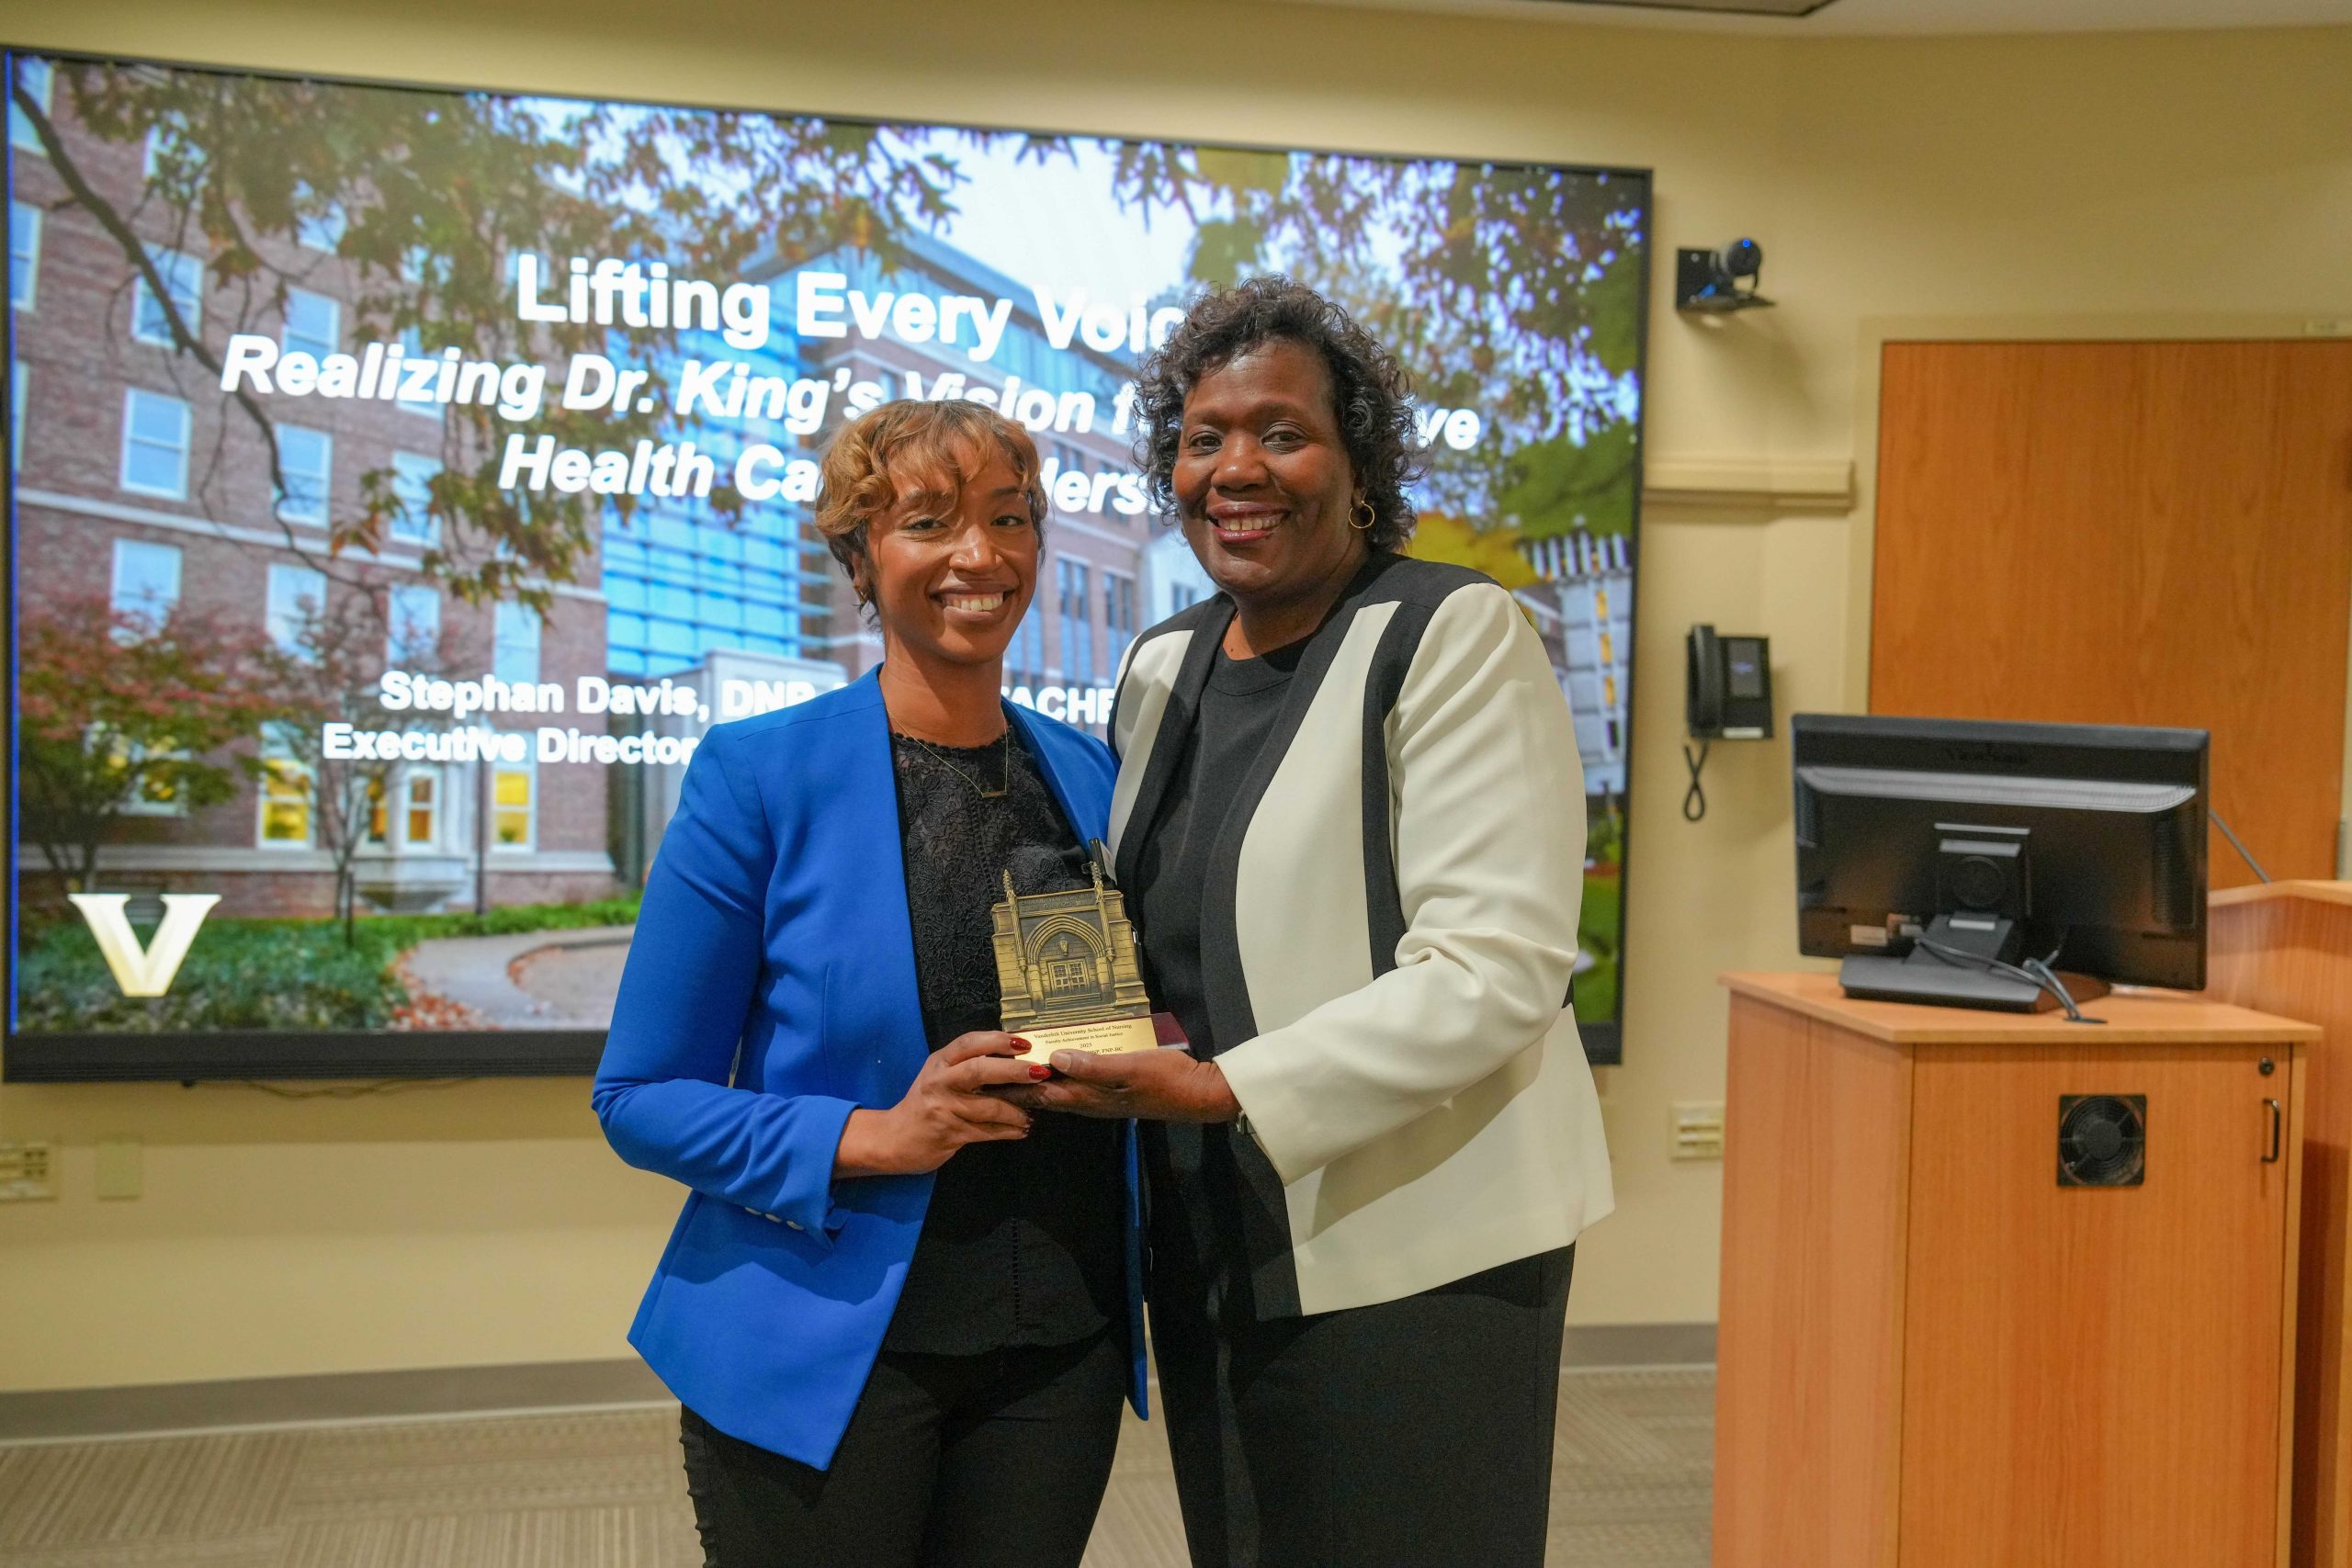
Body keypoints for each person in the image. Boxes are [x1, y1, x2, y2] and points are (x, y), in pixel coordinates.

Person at [1008, 276, 1613, 1568]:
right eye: (1203, 435)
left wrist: (1228, 1086)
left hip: (1416, 1247)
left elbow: (1497, 970)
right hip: (1213, 1235)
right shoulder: (1165, 660)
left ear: (1358, 464)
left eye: (1282, 432)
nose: (1238, 468)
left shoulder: (1448, 632)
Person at [593, 400, 1145, 1568]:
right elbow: (637, 1096)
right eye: (927, 522)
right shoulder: (758, 776)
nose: (978, 555)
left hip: (1059, 1341)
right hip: (827, 1348)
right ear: (857, 556)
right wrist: (873, 1136)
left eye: (1009, 519)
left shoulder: (1089, 771)